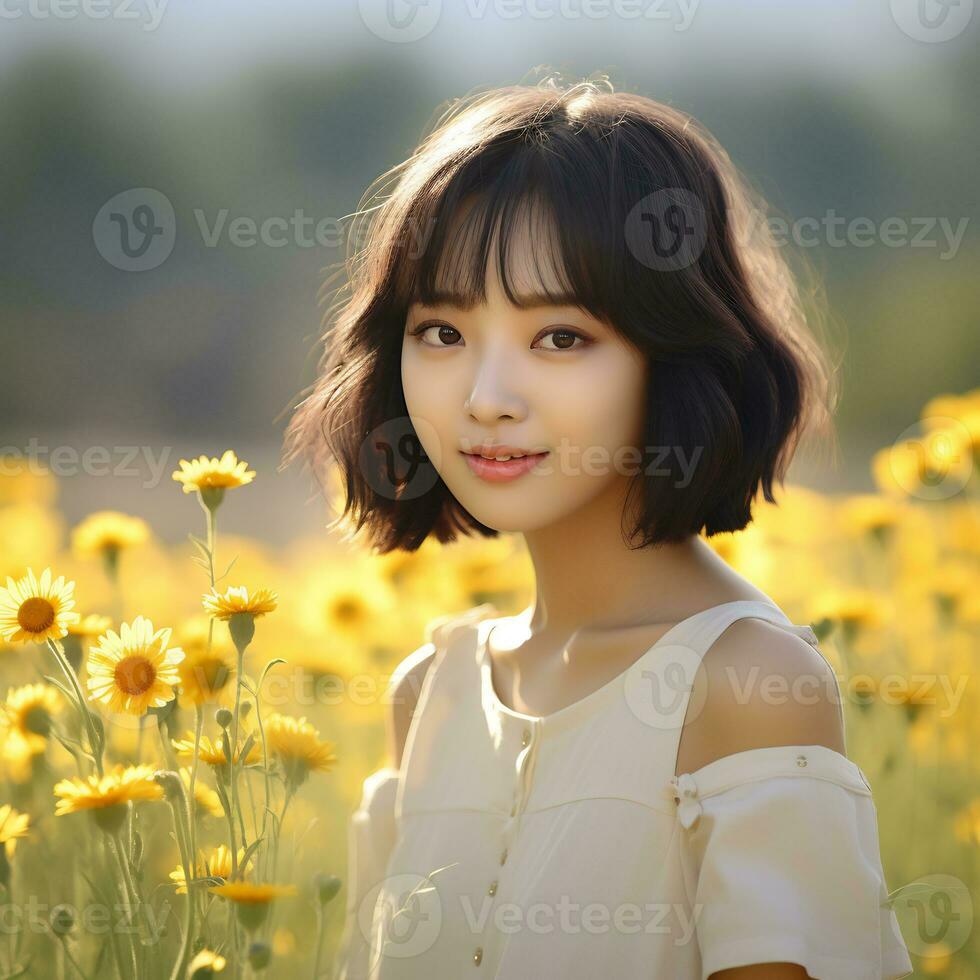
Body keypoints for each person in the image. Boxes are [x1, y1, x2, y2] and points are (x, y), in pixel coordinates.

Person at [284, 73, 914, 980]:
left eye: (560, 338)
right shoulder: (429, 693)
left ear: (673, 352)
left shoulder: (746, 686)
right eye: (442, 333)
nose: (487, 400)